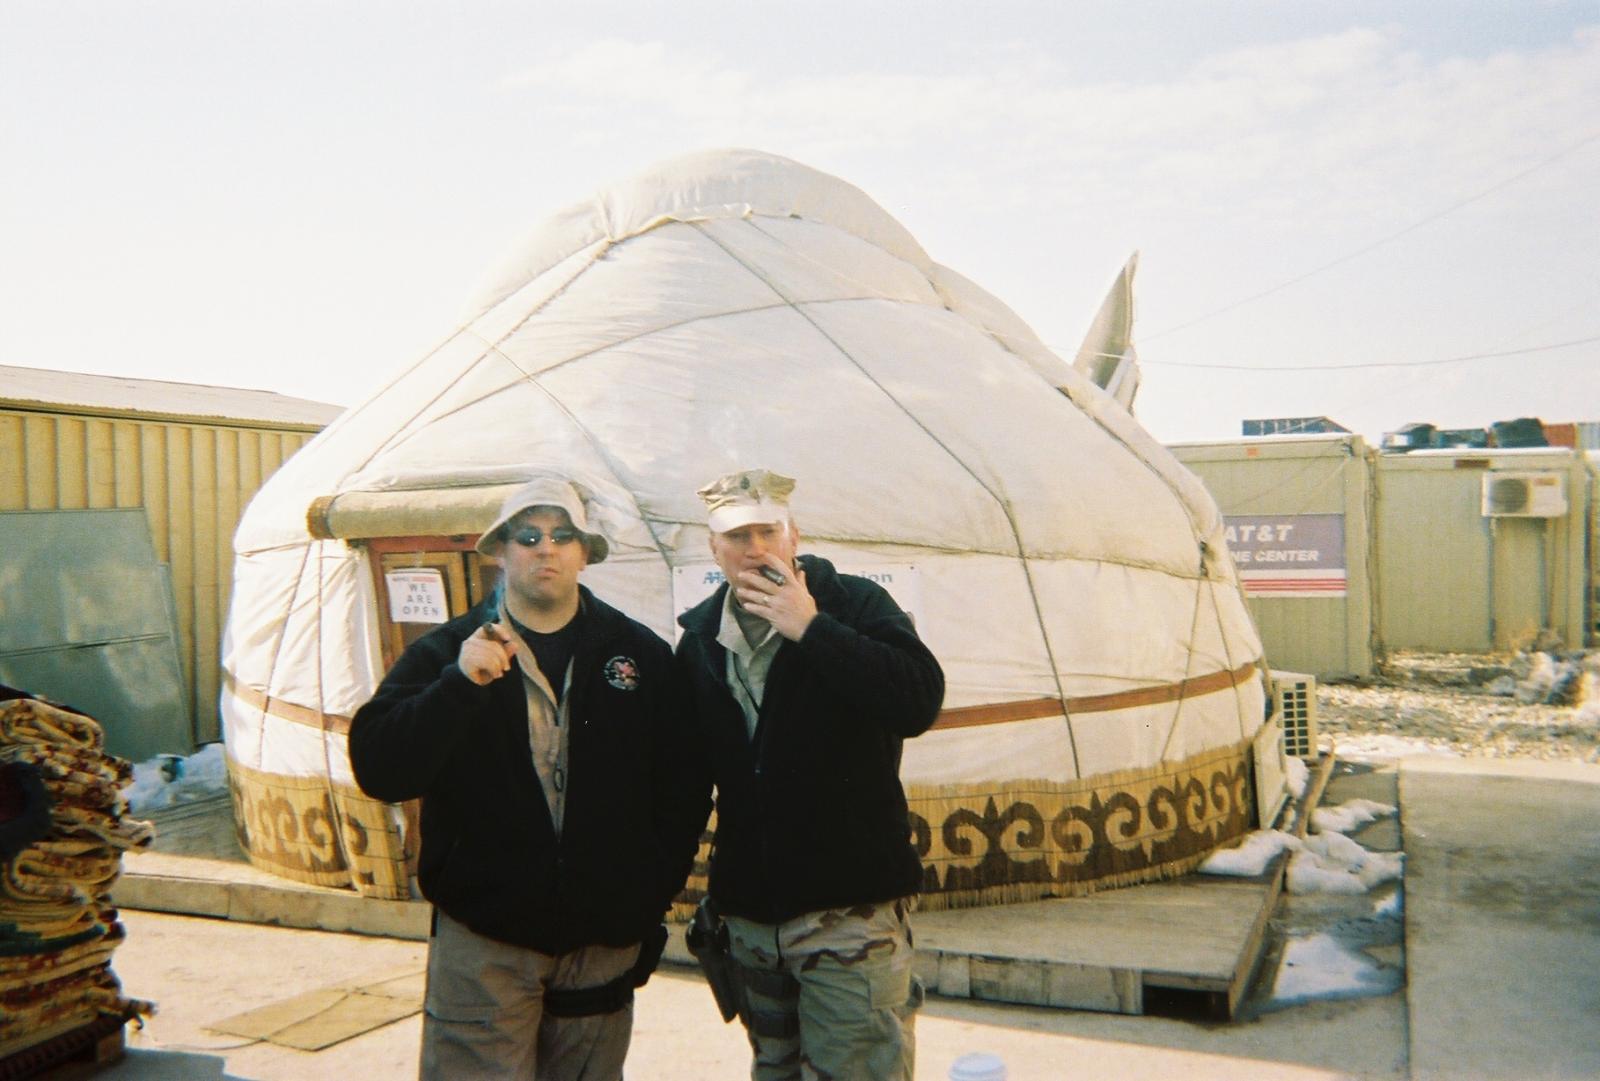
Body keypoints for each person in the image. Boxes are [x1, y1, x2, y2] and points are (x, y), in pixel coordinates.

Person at [349, 476, 706, 1081]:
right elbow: (381, 768)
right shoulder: (446, 653)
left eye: (563, 536)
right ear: (500, 550)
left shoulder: (638, 655)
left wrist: (645, 894)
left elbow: (684, 784)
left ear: (585, 552)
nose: (547, 549)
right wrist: (458, 688)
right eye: (529, 536)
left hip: (602, 936)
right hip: (487, 938)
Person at [675, 468, 946, 1081]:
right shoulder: (698, 642)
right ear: (712, 547)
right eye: (737, 536)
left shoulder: (856, 604)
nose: (756, 549)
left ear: (794, 533)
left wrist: (813, 629)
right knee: (774, 1071)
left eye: (767, 531)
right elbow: (687, 781)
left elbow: (917, 702)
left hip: (848, 917)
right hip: (750, 922)